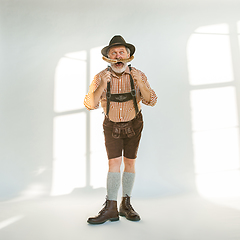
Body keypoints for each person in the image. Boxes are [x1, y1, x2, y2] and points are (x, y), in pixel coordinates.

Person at [84, 35, 157, 224]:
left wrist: (140, 83)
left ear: (128, 55)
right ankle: (110, 207)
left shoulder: (138, 74)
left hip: (134, 124)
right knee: (113, 164)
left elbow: (152, 100)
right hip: (111, 125)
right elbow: (90, 105)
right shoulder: (100, 76)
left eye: (121, 52)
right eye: (114, 53)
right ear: (108, 57)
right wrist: (101, 85)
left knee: (130, 163)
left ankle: (126, 204)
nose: (118, 56)